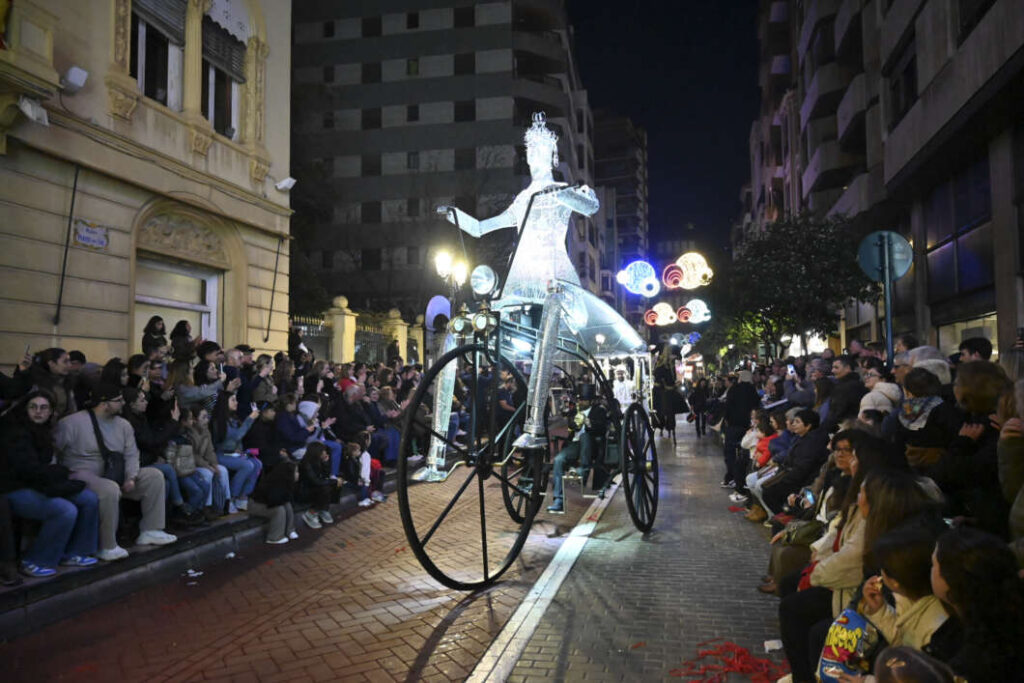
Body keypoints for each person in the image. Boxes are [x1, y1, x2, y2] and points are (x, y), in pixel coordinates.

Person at [55, 383, 176, 560]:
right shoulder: (71, 423)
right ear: (104, 403)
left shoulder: (124, 425)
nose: (123, 404)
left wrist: (131, 477)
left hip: (116, 472)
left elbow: (132, 454)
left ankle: (151, 529)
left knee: (154, 476)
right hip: (83, 474)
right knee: (109, 488)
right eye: (118, 400)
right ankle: (107, 545)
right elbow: (55, 452)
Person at [1, 390, 100, 576]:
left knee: (89, 498)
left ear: (50, 412)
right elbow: (28, 470)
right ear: (26, 409)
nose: (38, 412)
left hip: (39, 483)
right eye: (33, 407)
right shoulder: (15, 432)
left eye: (43, 408)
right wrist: (61, 473)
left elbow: (42, 469)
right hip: (15, 488)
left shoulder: (44, 431)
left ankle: (75, 552)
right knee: (64, 509)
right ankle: (35, 560)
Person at [926, 526, 1024, 680]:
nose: (930, 570)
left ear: (951, 583)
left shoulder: (972, 663)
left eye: (934, 565)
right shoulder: (1008, 608)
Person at [547, 384, 607, 514]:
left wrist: (587, 422)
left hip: (591, 445)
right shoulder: (575, 411)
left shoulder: (599, 411)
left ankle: (583, 472)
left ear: (590, 401)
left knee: (585, 436)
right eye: (579, 399)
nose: (581, 402)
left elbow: (602, 428)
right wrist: (574, 423)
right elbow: (571, 427)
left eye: (584, 400)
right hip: (575, 444)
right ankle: (558, 500)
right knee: (558, 460)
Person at [211, 391, 262, 513]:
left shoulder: (233, 418)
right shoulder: (218, 421)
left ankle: (243, 496)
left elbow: (237, 441)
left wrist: (241, 451)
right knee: (246, 465)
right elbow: (236, 436)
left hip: (234, 453)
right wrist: (250, 419)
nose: (236, 402)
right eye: (233, 400)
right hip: (220, 454)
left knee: (257, 463)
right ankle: (232, 498)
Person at [187, 406, 230, 518]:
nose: (207, 420)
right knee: (207, 473)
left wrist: (214, 464)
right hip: (192, 464)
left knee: (222, 470)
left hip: (203, 462)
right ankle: (207, 506)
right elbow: (193, 455)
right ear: (195, 420)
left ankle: (224, 503)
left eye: (207, 417)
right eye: (204, 417)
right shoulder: (189, 433)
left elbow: (210, 451)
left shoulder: (206, 431)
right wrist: (208, 466)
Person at [722, 370, 761, 491]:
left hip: (733, 426)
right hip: (747, 427)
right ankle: (741, 479)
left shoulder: (734, 389)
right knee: (745, 453)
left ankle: (731, 476)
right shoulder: (753, 391)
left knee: (730, 452)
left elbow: (727, 406)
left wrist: (727, 420)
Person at [249, 460, 298, 545]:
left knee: (287, 505)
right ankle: (274, 537)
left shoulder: (287, 482)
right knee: (279, 510)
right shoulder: (275, 482)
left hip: (267, 503)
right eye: (296, 472)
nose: (298, 474)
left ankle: (290, 530)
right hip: (256, 505)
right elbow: (273, 501)